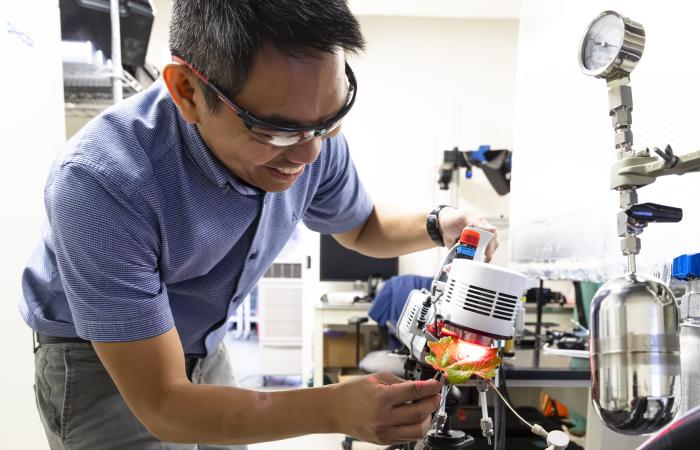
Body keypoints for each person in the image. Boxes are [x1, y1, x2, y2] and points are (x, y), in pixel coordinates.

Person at [20, 1, 498, 449]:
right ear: (187, 91)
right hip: (103, 362)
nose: (309, 154)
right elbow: (163, 402)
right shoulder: (102, 182)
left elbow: (360, 226)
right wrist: (333, 409)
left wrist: (439, 225)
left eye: (328, 121)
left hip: (205, 344)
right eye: (278, 129)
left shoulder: (310, 137)